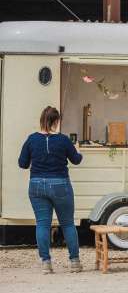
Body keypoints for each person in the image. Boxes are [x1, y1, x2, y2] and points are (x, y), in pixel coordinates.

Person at [18, 106, 84, 274]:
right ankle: (75, 262)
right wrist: (78, 150)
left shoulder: (31, 139)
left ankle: (46, 263)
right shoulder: (63, 140)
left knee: (42, 224)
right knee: (68, 223)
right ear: (57, 121)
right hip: (60, 184)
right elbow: (76, 160)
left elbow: (22, 164)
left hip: (37, 185)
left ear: (42, 120)